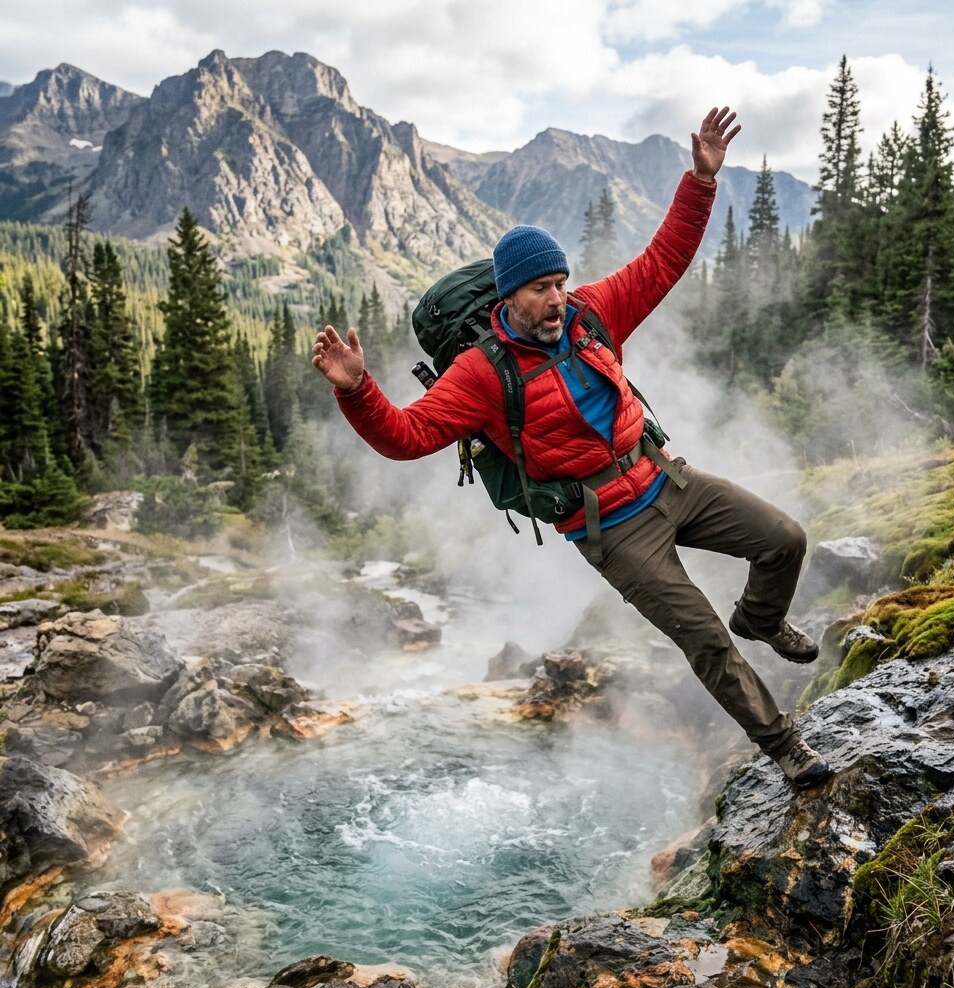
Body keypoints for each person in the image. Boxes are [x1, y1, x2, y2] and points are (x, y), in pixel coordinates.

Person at [312, 106, 833, 791]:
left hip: (665, 479)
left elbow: (663, 261)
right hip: (611, 528)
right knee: (705, 640)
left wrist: (700, 182)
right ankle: (786, 747)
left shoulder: (590, 314)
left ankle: (762, 617)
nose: (557, 298)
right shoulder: (482, 373)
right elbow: (407, 438)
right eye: (542, 288)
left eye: (560, 283)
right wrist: (357, 391)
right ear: (511, 295)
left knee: (784, 539)